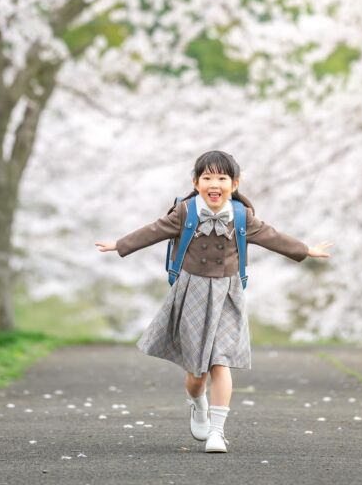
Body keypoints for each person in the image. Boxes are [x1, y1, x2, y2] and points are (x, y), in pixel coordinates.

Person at [95, 149, 332, 453]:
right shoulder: (186, 212)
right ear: (196, 182)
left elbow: (272, 236)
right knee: (197, 375)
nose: (214, 183)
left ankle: (217, 432)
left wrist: (305, 249)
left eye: (222, 177)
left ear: (234, 183)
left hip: (228, 294)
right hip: (191, 291)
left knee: (222, 361)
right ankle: (197, 402)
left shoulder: (242, 216)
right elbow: (154, 230)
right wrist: (120, 244)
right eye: (207, 177)